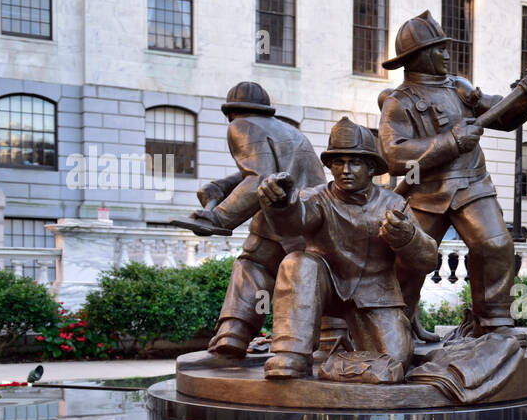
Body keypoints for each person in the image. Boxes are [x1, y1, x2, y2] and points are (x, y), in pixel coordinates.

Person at [378, 10, 527, 340]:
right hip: (425, 191)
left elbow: (500, 114)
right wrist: (451, 141)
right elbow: (394, 155)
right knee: (407, 261)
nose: (448, 54)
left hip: (472, 184)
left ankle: (492, 323)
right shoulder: (398, 102)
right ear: (419, 56)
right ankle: (395, 326)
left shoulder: (459, 88)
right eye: (439, 49)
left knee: (496, 244)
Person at [255, 117, 440, 381]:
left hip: (376, 294)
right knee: (298, 262)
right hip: (326, 285)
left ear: (371, 168)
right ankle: (291, 355)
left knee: (395, 361)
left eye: (355, 162)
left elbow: (428, 259)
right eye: (338, 162)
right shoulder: (316, 197)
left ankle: (336, 366)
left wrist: (407, 238)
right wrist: (282, 203)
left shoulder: (393, 202)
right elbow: (297, 219)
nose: (345, 170)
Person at [171, 81, 325, 360]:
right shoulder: (288, 130)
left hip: (278, 217)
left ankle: (235, 333)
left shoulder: (241, 126)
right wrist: (223, 187)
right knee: (298, 274)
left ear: (231, 112)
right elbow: (266, 172)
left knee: (253, 265)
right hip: (311, 218)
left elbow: (258, 180)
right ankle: (301, 341)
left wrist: (219, 216)